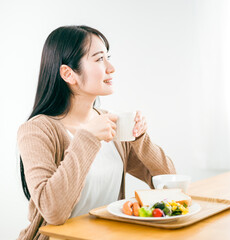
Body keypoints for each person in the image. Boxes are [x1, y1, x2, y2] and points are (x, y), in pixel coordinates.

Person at [17, 25, 176, 240]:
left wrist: (140, 139)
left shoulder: (111, 122)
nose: (111, 68)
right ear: (68, 73)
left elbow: (169, 183)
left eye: (107, 57)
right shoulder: (37, 131)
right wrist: (87, 139)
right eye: (99, 59)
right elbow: (53, 211)